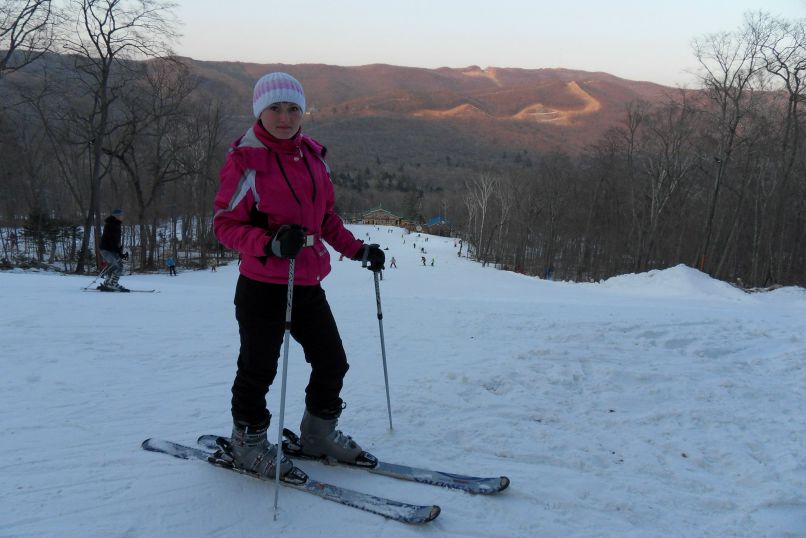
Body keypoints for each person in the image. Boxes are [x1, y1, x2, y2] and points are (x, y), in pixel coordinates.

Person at [213, 72, 385, 481]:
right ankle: (247, 442)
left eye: (293, 108)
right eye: (275, 108)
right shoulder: (245, 160)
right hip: (261, 286)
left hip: (306, 282)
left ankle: (317, 434)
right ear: (260, 111)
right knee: (258, 369)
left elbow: (325, 219)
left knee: (332, 362)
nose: (285, 117)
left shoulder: (312, 156)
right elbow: (224, 224)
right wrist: (269, 242)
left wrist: (359, 250)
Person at [98, 209, 129, 292]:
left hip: (111, 249)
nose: (123, 217)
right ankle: (112, 284)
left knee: (118, 265)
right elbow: (112, 240)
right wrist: (119, 252)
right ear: (117, 216)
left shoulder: (116, 224)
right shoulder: (111, 225)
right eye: (121, 215)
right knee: (115, 266)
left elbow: (115, 241)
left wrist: (119, 252)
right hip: (106, 249)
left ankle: (108, 282)